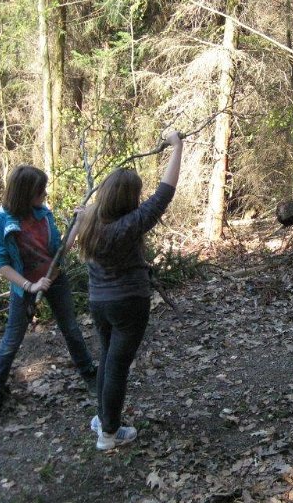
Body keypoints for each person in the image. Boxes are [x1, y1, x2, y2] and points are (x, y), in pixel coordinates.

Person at [76, 131, 183, 451]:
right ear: (129, 199)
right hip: (128, 304)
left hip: (99, 303)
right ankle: (109, 433)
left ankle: (102, 417)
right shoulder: (129, 225)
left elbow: (70, 241)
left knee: (108, 360)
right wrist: (177, 147)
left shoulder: (89, 220)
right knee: (117, 366)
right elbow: (165, 193)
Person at [0, 165, 96, 421]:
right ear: (25, 192)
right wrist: (29, 286)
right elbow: (2, 264)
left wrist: (77, 224)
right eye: (39, 190)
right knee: (12, 339)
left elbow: (58, 251)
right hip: (24, 288)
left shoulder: (43, 215)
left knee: (72, 329)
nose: (44, 194)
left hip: (55, 280)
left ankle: (90, 374)